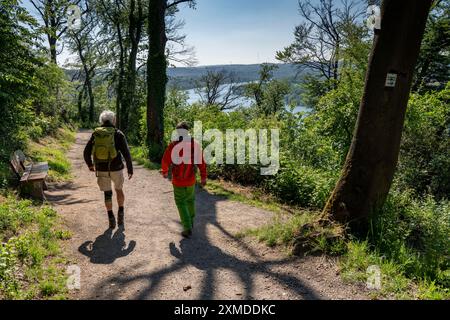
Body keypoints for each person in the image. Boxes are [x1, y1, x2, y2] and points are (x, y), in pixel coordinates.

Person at [84, 110, 133, 229]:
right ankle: (121, 212)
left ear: (102, 121)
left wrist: (90, 165)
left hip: (101, 168)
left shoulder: (96, 134)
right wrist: (130, 169)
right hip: (116, 168)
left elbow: (86, 152)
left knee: (107, 193)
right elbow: (126, 153)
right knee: (119, 189)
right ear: (113, 120)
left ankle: (111, 217)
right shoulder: (118, 133)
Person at [161, 122, 207, 238]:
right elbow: (201, 163)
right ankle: (190, 221)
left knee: (181, 202)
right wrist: (203, 177)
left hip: (178, 181)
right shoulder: (195, 145)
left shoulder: (173, 145)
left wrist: (165, 171)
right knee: (190, 200)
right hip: (191, 180)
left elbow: (165, 160)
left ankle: (187, 227)